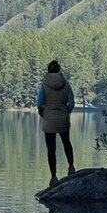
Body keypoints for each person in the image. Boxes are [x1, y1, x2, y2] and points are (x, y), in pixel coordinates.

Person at [36, 59, 75, 187]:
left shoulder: (44, 85)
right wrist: (66, 111)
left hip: (49, 119)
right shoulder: (66, 84)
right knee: (67, 143)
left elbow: (39, 102)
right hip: (63, 117)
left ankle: (53, 177)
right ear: (59, 70)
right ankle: (71, 167)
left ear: (48, 70)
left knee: (51, 149)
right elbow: (71, 103)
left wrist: (43, 112)